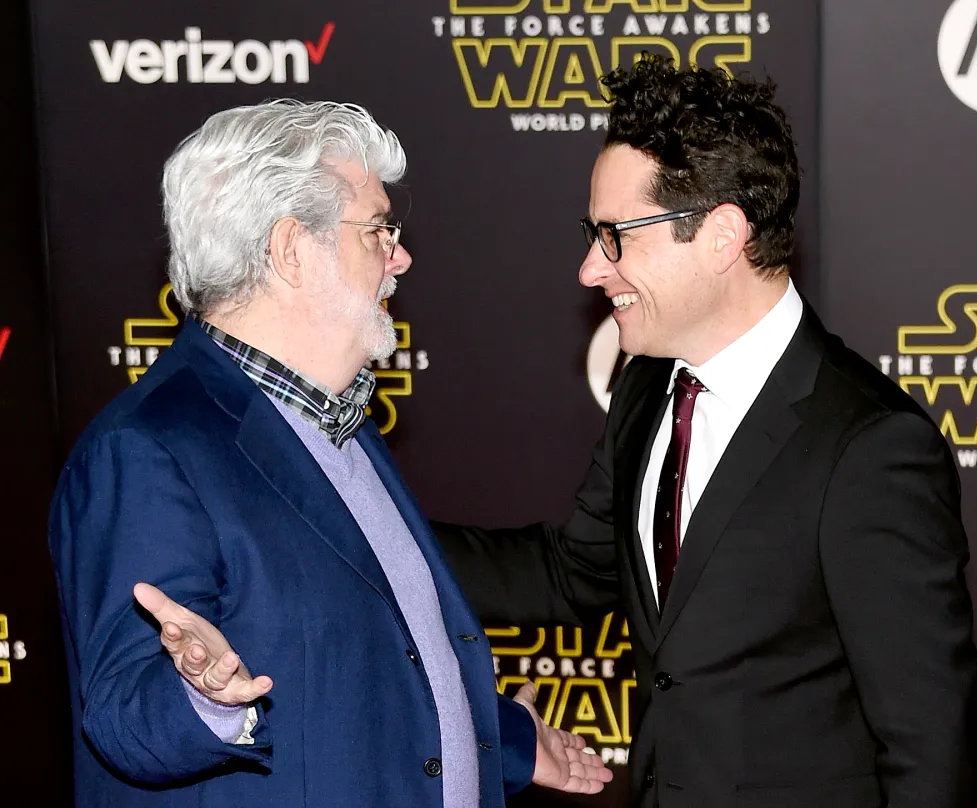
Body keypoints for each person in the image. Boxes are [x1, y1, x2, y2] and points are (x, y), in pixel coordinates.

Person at [434, 55, 977, 808]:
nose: (591, 269)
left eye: (615, 236)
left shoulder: (870, 447)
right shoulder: (647, 384)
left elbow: (931, 755)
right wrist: (381, 538)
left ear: (723, 236)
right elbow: (572, 575)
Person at [48, 100, 611, 807]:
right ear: (291, 250)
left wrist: (504, 739)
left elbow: (354, 671)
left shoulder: (336, 426)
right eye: (378, 230)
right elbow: (125, 714)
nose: (400, 256)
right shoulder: (146, 451)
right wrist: (208, 699)